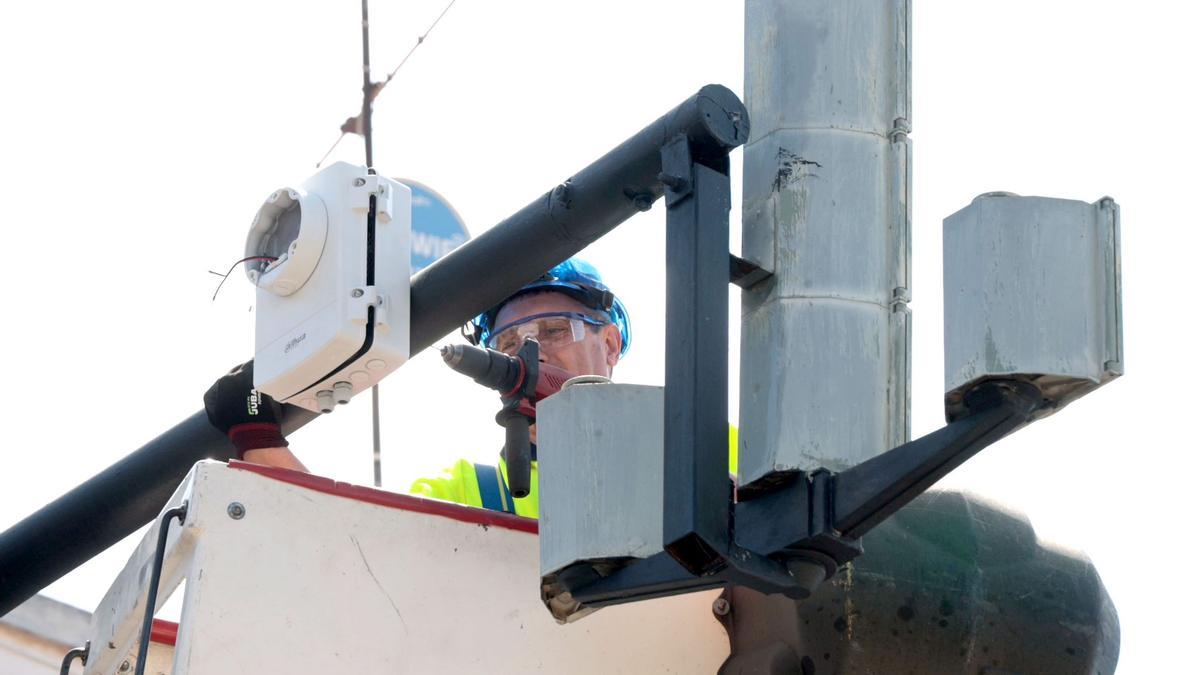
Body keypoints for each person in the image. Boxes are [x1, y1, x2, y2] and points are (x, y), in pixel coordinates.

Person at [202, 257, 632, 517]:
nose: (530, 356)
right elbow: (350, 549)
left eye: (555, 331)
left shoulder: (683, 461)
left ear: (609, 344)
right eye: (508, 345)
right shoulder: (469, 494)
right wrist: (257, 438)